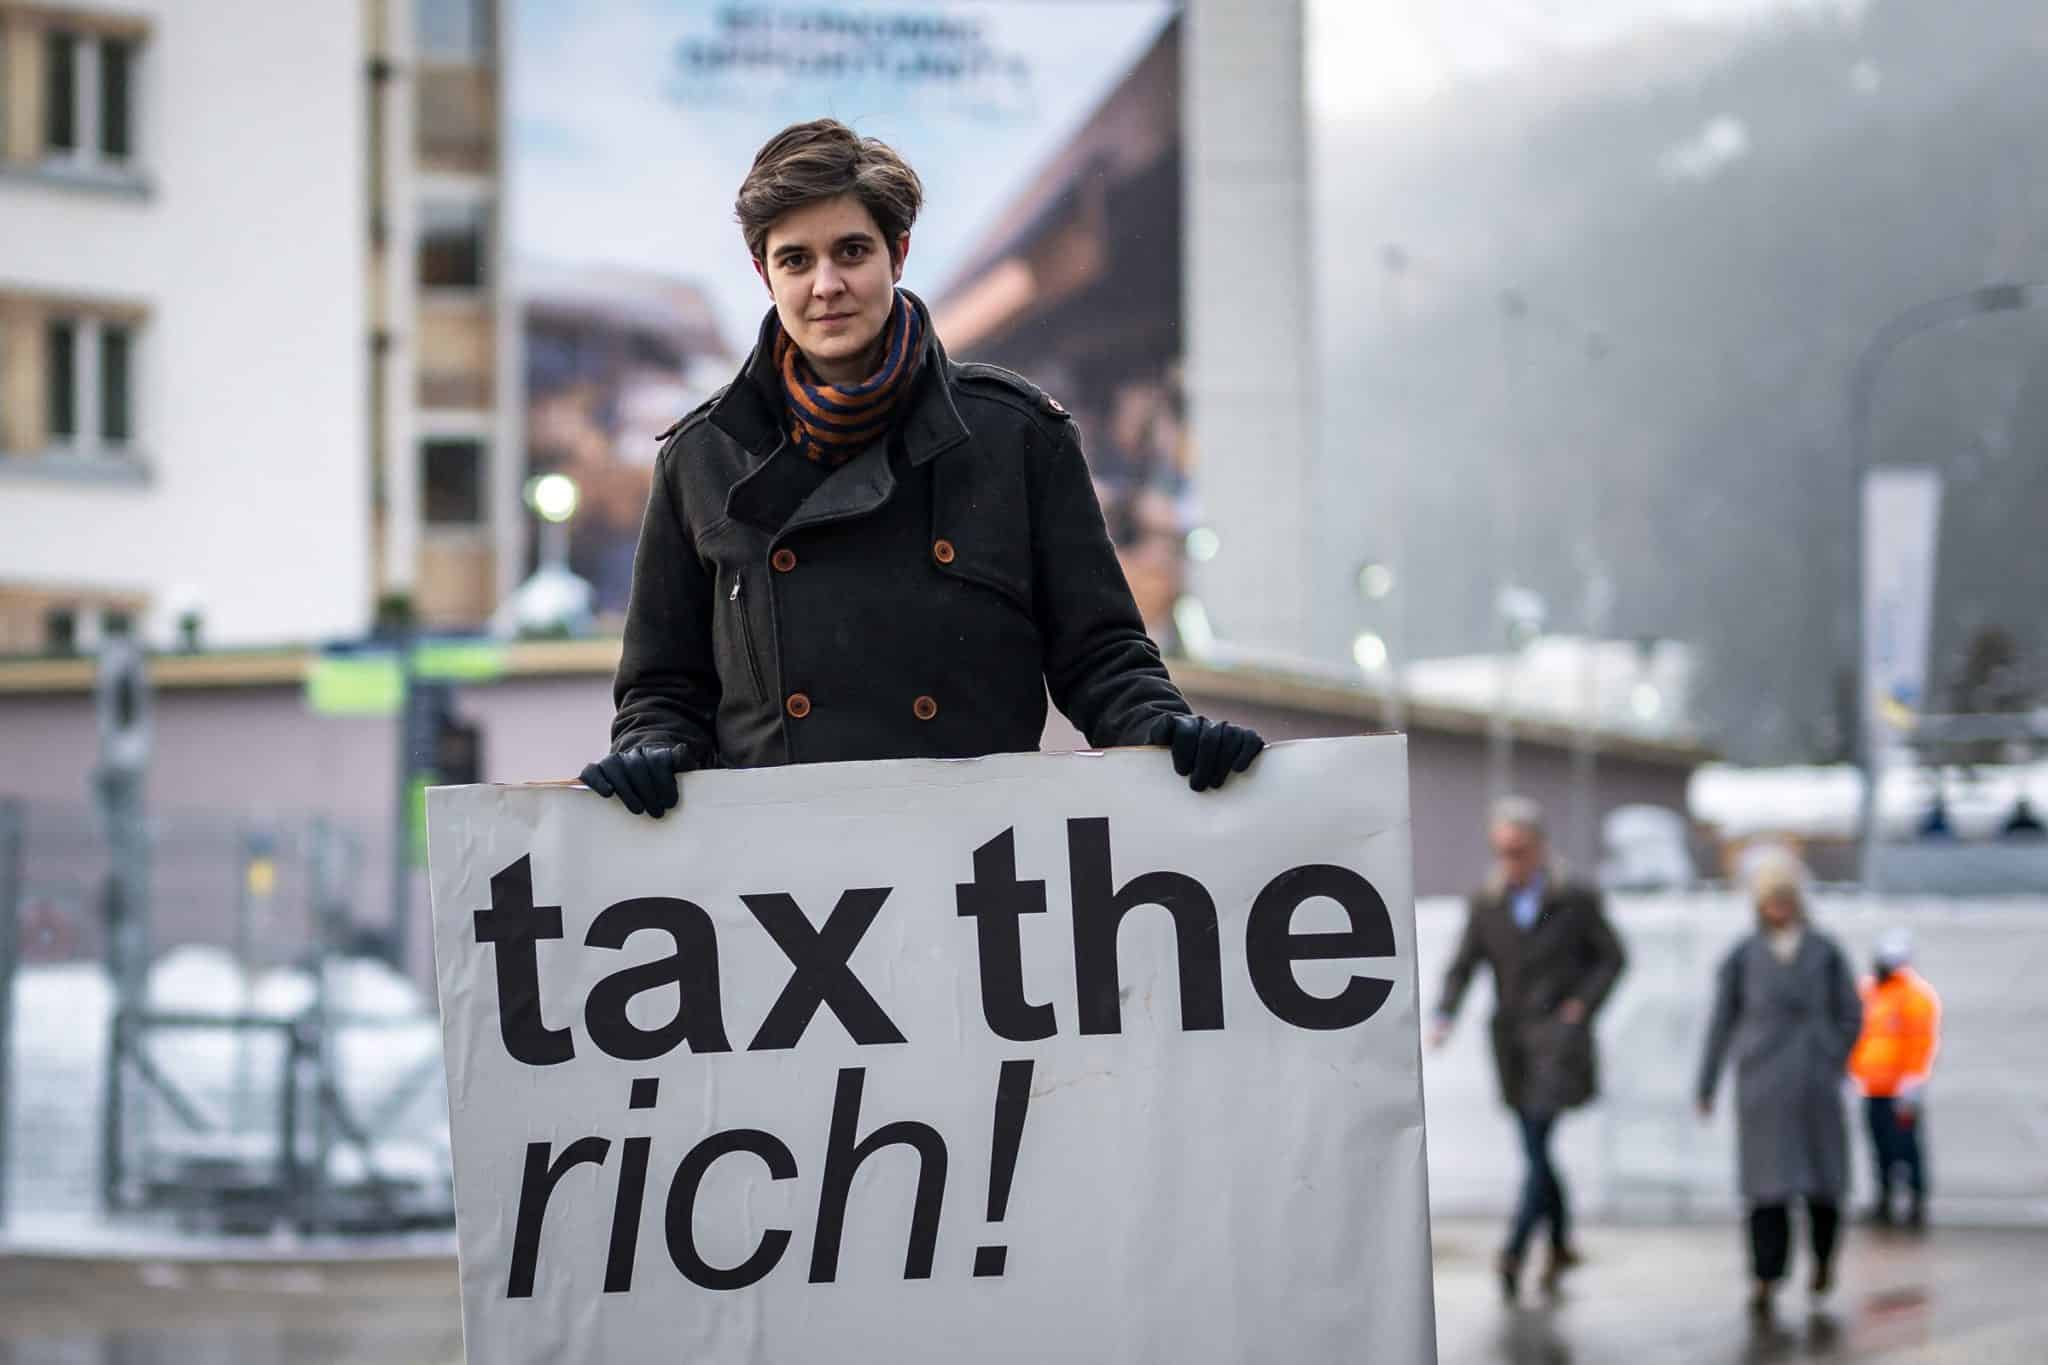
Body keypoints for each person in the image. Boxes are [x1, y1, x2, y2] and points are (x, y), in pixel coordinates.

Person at [578, 120, 1262, 815]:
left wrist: (1165, 732)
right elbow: (664, 690)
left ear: (897, 254)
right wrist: (649, 751)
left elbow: (1102, 654)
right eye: (795, 260)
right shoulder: (700, 458)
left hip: (975, 864)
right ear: (764, 274)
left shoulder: (1016, 435)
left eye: (851, 251)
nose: (826, 285)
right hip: (780, 874)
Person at [1430, 796, 1628, 1303]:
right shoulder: (1488, 903)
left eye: (1518, 850)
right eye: (1503, 851)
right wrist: (1445, 1014)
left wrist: (1582, 1005)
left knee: (1538, 1139)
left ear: (1539, 847)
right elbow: (1464, 963)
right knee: (1535, 1145)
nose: (1510, 860)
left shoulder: (1574, 899)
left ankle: (1515, 1249)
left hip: (1558, 1041)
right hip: (1512, 1041)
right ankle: (1560, 1242)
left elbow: (1612, 957)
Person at [1695, 851, 1863, 1322]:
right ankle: (1766, 1274)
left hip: (1814, 1084)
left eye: (1786, 898)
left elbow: (1851, 1012)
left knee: (1823, 1184)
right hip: (1763, 1087)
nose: (1779, 908)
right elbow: (1721, 1022)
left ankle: (1823, 1260)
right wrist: (1707, 1082)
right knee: (1766, 1190)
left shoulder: (1825, 951)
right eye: (1771, 900)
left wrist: (1830, 1052)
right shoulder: (1743, 956)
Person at [1848, 929, 1940, 1229]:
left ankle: (1915, 1203)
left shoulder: (1914, 997)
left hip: (1900, 1090)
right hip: (1872, 1087)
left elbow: (1920, 1041)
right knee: (1880, 1147)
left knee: (1906, 1148)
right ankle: (1883, 1201)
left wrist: (1913, 1081)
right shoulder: (1869, 993)